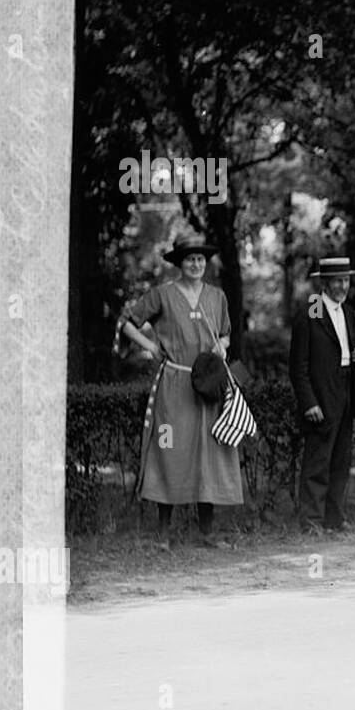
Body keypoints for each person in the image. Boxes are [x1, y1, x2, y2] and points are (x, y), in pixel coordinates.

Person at [118, 234, 244, 548]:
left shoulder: (217, 297)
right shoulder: (162, 294)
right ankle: (163, 533)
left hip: (209, 386)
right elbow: (128, 323)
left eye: (201, 259)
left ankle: (207, 532)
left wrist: (222, 347)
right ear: (180, 263)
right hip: (174, 386)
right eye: (190, 259)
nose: (196, 264)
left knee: (209, 453)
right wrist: (149, 346)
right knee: (169, 451)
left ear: (206, 262)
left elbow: (226, 335)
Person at [290, 256, 355, 532]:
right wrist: (309, 402)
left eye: (346, 280)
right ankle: (311, 520)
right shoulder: (312, 309)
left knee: (340, 458)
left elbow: (345, 349)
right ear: (324, 283)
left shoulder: (347, 311)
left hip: (346, 388)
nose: (343, 286)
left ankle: (334, 519)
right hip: (322, 394)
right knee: (318, 459)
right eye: (337, 280)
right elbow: (298, 365)